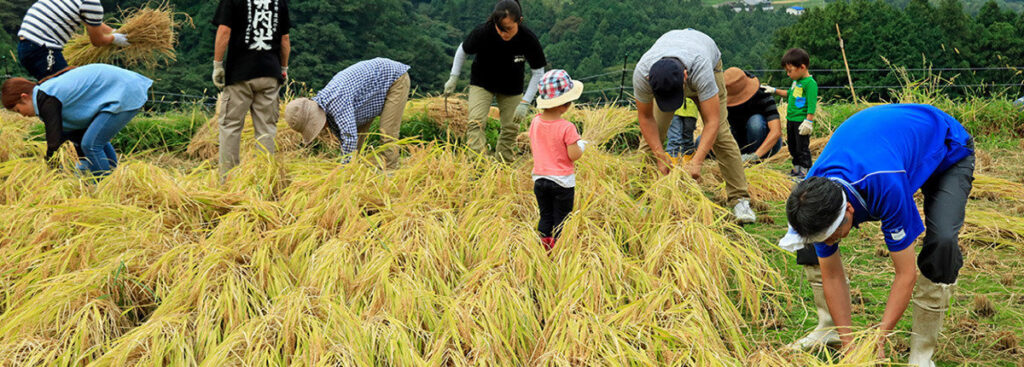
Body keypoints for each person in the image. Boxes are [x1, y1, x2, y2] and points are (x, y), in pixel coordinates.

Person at [778, 104, 974, 365]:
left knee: (942, 243)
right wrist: (851, 345)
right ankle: (831, 329)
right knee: (808, 243)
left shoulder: (885, 184)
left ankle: (921, 354)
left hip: (945, 150)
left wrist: (878, 339)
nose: (829, 242)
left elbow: (905, 274)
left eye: (833, 235)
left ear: (849, 209)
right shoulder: (812, 193)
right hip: (890, 146)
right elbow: (832, 274)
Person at [632, 29, 755, 224]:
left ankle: (740, 199)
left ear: (685, 76)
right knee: (651, 140)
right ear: (650, 81)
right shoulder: (642, 73)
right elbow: (646, 118)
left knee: (721, 135)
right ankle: (641, 196)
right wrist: (660, 155)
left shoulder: (701, 69)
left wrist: (697, 160)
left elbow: (712, 121)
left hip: (707, 60)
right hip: (675, 56)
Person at [1, 64, 152, 176]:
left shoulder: (47, 100)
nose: (22, 115)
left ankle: (105, 191)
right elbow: (74, 135)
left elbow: (54, 142)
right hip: (121, 89)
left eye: (18, 110)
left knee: (92, 144)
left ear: (24, 97)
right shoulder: (45, 96)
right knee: (94, 141)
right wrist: (82, 165)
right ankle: (113, 179)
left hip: (124, 91)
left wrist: (50, 173)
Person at [444, 0, 546, 162]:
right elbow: (462, 50)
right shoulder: (484, 32)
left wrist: (526, 101)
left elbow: (538, 72)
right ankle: (476, 165)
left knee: (511, 127)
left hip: (511, 87)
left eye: (509, 29)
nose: (504, 34)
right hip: (482, 82)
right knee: (475, 122)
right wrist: (453, 77)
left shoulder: (528, 39)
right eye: (500, 29)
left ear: (519, 21)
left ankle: (503, 164)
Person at [283, 58, 410, 170]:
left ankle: (391, 172)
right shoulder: (325, 105)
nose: (321, 129)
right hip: (370, 92)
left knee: (387, 132)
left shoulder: (336, 101)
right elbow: (345, 139)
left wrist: (344, 170)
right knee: (358, 136)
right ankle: (357, 169)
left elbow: (349, 137)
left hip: (393, 79)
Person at [211, 0, 291, 177]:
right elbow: (285, 39)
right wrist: (283, 68)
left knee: (230, 125)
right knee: (266, 128)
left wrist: (218, 64)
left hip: (240, 74)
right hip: (270, 73)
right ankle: (264, 179)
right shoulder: (279, 2)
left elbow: (224, 31)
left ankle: (228, 180)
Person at [669, 67, 784, 163]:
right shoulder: (720, 101)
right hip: (736, 142)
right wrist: (724, 158)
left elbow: (776, 131)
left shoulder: (763, 95)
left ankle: (756, 160)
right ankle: (737, 158)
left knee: (756, 122)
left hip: (761, 143)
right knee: (700, 142)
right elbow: (713, 128)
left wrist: (754, 156)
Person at [529, 69, 586, 251]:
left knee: (545, 216)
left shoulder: (535, 122)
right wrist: (581, 145)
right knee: (562, 219)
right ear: (564, 105)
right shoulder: (567, 128)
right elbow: (573, 155)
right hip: (562, 182)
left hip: (539, 179)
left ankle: (544, 247)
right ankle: (560, 251)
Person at [16, 0, 129, 80]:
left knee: (52, 91)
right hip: (42, 48)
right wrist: (115, 38)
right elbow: (97, 41)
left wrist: (114, 31)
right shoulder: (91, 3)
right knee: (66, 89)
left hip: (26, 46)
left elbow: (94, 23)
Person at [763, 48, 817, 178]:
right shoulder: (796, 82)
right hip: (791, 119)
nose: (788, 74)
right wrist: (774, 90)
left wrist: (808, 121)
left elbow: (812, 103)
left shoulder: (810, 84)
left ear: (802, 67)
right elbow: (789, 94)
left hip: (801, 121)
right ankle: (796, 167)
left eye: (790, 71)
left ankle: (805, 170)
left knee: (802, 147)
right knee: (792, 146)